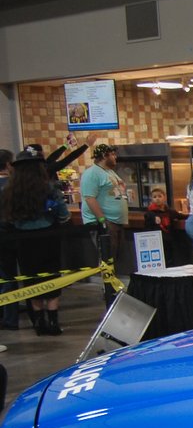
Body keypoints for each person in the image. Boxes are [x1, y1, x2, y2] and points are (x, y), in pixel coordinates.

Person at [0, 149, 70, 336]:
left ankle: (39, 323)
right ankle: (54, 322)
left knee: (31, 279)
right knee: (52, 278)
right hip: (48, 237)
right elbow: (63, 214)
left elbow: (8, 218)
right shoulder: (48, 187)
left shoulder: (10, 191)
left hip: (23, 240)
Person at [79, 143, 130, 304]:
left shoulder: (109, 172)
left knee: (115, 256)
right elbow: (89, 198)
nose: (115, 157)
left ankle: (113, 285)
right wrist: (101, 220)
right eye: (112, 155)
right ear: (104, 156)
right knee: (107, 257)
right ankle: (107, 289)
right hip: (106, 221)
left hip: (117, 221)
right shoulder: (92, 174)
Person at [0, 149, 18, 333]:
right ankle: (11, 318)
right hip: (9, 236)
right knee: (9, 278)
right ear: (7, 165)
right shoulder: (12, 186)